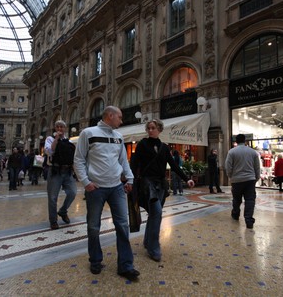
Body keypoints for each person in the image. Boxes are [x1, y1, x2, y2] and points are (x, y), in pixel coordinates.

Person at [74, 106, 139, 281]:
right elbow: (79, 159)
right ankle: (95, 260)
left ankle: (125, 265)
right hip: (96, 189)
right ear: (110, 116)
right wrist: (86, 182)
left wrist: (130, 179)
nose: (122, 120)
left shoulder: (118, 137)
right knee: (94, 227)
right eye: (119, 117)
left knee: (123, 226)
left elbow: (123, 161)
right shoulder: (88, 133)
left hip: (117, 187)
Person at [131, 119, 194, 262]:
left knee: (154, 214)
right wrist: (130, 181)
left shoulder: (164, 147)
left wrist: (186, 179)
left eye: (153, 128)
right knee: (157, 212)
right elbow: (134, 164)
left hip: (161, 184)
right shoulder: (142, 144)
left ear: (159, 129)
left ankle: (148, 241)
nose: (151, 130)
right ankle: (154, 248)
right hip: (147, 183)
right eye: (149, 128)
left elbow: (174, 165)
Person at [45, 120, 77, 230]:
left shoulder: (68, 141)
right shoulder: (50, 139)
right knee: (53, 197)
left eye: (62, 127)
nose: (59, 129)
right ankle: (53, 220)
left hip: (67, 171)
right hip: (55, 171)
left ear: (65, 128)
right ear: (55, 128)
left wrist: (75, 173)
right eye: (57, 127)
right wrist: (56, 139)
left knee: (72, 192)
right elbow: (51, 151)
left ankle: (63, 211)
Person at [225, 134, 260, 229]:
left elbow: (228, 167)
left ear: (236, 141)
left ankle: (235, 214)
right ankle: (249, 220)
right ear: (245, 141)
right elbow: (257, 167)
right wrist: (256, 178)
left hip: (236, 180)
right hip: (250, 180)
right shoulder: (253, 152)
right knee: (250, 200)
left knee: (237, 199)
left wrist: (230, 177)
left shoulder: (232, 152)